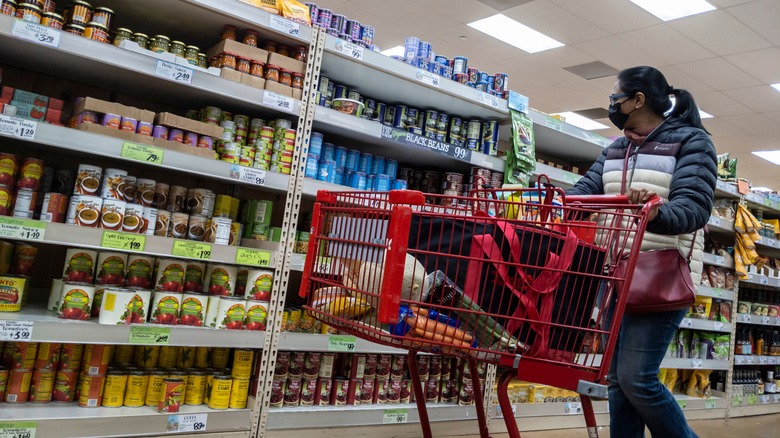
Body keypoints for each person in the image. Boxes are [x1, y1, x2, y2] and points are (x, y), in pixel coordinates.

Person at [568, 66, 717, 437]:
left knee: (637, 379)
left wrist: (653, 211)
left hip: (660, 274)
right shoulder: (617, 147)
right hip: (613, 274)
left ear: (638, 100)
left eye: (615, 98)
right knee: (617, 381)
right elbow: (586, 189)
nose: (611, 105)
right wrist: (560, 201)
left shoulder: (692, 142)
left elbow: (694, 209)